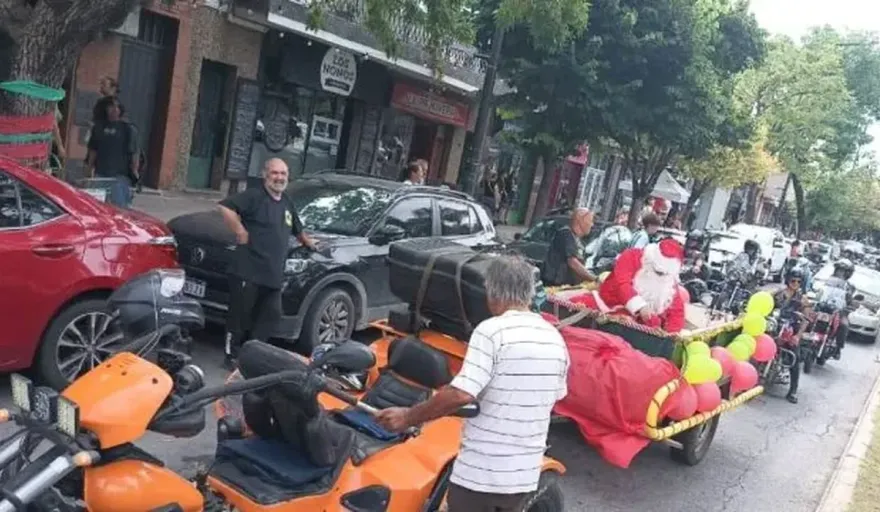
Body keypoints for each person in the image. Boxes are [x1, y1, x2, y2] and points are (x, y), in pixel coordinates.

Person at [376, 256, 569, 512]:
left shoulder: (492, 331)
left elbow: (461, 395)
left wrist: (407, 417)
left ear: (492, 292)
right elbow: (552, 397)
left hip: (481, 475)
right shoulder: (554, 338)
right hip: (523, 477)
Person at [218, 158, 317, 369]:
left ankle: (253, 355)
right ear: (265, 175)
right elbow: (225, 207)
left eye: (283, 174)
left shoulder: (286, 201)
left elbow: (297, 229)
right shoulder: (254, 196)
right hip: (248, 271)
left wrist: (308, 242)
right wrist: (240, 231)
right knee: (239, 317)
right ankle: (231, 355)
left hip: (272, 275)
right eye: (275, 173)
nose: (279, 178)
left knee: (270, 316)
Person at [571, 239, 687, 332]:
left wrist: (669, 334)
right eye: (657, 271)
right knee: (577, 306)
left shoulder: (669, 284)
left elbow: (677, 312)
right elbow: (621, 284)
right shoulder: (632, 256)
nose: (660, 275)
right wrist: (640, 306)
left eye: (663, 274)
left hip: (644, 329)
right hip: (609, 305)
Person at [85, 97, 139, 207]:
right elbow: (93, 150)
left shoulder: (127, 129)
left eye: (117, 106)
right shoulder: (98, 127)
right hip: (101, 174)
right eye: (111, 106)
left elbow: (134, 152)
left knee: (120, 208)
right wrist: (89, 169)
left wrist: (135, 170)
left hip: (120, 176)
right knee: (97, 206)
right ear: (105, 108)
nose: (114, 109)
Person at [773, 268, 810, 404]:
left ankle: (793, 390)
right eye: (793, 280)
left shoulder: (802, 299)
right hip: (775, 325)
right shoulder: (778, 293)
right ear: (788, 280)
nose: (795, 283)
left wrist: (797, 336)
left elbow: (806, 320)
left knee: (795, 357)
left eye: (798, 281)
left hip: (791, 330)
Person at [540, 208, 596, 286]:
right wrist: (594, 279)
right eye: (590, 220)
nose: (592, 224)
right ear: (580, 220)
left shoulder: (577, 239)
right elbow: (573, 262)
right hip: (555, 286)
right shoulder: (566, 234)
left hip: (566, 286)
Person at [816, 258, 855, 359]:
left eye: (843, 271)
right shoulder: (826, 280)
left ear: (848, 273)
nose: (840, 273)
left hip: (838, 311)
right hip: (822, 307)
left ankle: (838, 348)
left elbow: (850, 301)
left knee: (844, 325)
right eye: (839, 270)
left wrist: (850, 306)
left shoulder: (850, 286)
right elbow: (818, 290)